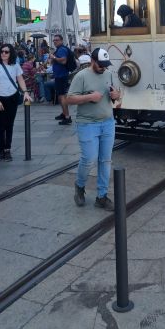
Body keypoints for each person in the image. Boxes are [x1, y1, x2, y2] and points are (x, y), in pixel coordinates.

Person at [67, 48, 120, 211]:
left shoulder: (110, 74)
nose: (103, 67)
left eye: (105, 64)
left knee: (105, 160)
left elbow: (117, 94)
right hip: (87, 123)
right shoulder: (81, 76)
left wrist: (116, 95)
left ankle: (102, 196)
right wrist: (89, 97)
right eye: (100, 64)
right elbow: (69, 99)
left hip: (107, 122)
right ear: (92, 61)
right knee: (89, 158)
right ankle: (80, 186)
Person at [0, 43, 32, 161]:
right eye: (2, 51)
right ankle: (1, 150)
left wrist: (25, 92)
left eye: (6, 52)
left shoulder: (15, 65)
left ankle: (7, 149)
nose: (3, 53)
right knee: (1, 125)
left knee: (9, 124)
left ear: (11, 53)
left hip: (12, 97)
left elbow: (20, 80)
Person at [50, 34, 71, 125]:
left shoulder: (62, 49)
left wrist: (54, 57)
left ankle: (67, 117)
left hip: (62, 76)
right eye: (54, 40)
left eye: (57, 40)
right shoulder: (59, 49)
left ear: (61, 41)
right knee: (60, 96)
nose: (55, 41)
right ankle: (64, 113)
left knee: (62, 96)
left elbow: (64, 61)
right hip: (59, 76)